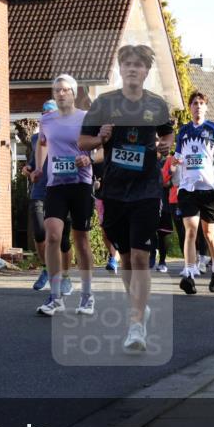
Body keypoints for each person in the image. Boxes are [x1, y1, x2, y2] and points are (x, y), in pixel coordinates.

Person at [78, 44, 173, 351]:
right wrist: (100, 138)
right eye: (127, 64)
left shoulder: (156, 104)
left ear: (146, 71)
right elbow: (82, 142)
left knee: (141, 257)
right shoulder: (104, 103)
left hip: (147, 190)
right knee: (127, 259)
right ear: (120, 69)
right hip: (115, 191)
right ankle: (139, 304)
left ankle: (136, 324)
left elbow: (167, 133)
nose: (132, 68)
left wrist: (165, 145)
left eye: (138, 64)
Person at [34, 75, 95, 316]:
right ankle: (55, 296)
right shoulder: (46, 120)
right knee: (52, 235)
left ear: (74, 93)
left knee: (81, 240)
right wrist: (39, 167)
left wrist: (88, 159)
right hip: (56, 184)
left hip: (80, 183)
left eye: (65, 90)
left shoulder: (86, 118)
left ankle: (87, 296)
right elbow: (42, 143)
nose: (60, 94)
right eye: (57, 90)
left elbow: (101, 147)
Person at [171, 91, 214, 294]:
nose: (198, 106)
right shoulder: (183, 132)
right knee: (190, 230)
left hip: (209, 189)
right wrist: (175, 164)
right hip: (188, 189)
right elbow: (178, 158)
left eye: (201, 103)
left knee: (208, 233)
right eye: (194, 103)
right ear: (189, 108)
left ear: (206, 107)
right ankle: (189, 274)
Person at [22, 101, 74, 294]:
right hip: (40, 191)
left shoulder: (68, 137)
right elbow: (33, 162)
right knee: (39, 232)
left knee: (64, 240)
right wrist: (28, 169)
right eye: (44, 114)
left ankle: (66, 276)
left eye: (50, 114)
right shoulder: (36, 138)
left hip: (62, 191)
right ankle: (46, 269)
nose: (47, 117)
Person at [90, 150, 119, 273]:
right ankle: (113, 256)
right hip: (100, 197)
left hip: (117, 197)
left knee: (118, 229)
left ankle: (115, 258)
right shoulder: (91, 156)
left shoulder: (115, 151)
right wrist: (94, 184)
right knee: (105, 232)